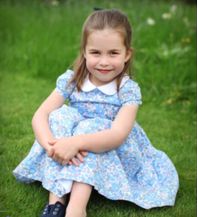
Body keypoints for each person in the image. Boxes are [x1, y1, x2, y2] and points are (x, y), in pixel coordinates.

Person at [13, 9, 179, 217]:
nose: (103, 62)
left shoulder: (127, 89)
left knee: (92, 126)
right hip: (68, 144)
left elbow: (117, 134)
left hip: (109, 146)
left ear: (127, 54)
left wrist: (76, 143)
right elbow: (41, 115)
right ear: (84, 51)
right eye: (96, 53)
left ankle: (76, 209)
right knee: (60, 116)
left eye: (113, 53)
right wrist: (53, 147)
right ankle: (56, 203)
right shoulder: (72, 79)